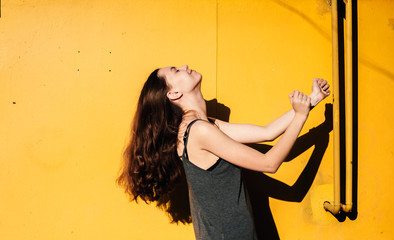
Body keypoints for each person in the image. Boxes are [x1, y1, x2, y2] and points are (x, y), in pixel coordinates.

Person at [117, 65, 330, 239]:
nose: (185, 66)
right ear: (174, 93)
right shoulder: (200, 131)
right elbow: (269, 163)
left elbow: (268, 132)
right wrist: (301, 117)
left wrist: (313, 99)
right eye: (176, 70)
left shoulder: (202, 125)